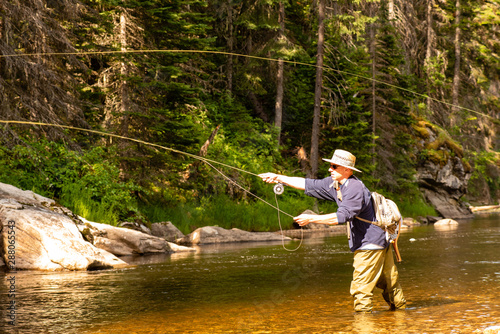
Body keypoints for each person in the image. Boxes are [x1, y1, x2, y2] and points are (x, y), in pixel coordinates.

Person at [259, 149, 406, 313]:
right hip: (379, 240)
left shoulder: (355, 188)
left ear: (347, 170)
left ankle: (363, 325)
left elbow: (340, 217)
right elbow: (307, 184)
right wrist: (278, 177)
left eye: (334, 166)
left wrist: (311, 218)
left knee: (361, 291)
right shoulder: (335, 183)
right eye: (330, 165)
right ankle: (401, 318)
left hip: (369, 244)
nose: (330, 169)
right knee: (389, 282)